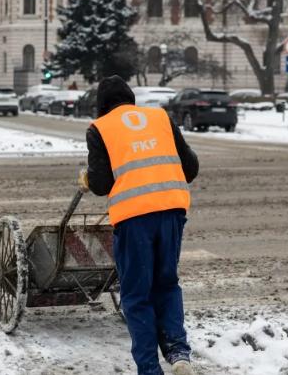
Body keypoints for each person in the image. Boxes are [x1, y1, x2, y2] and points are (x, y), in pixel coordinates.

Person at [78, 75, 199, 375]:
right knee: (167, 283)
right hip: (172, 210)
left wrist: (87, 179)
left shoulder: (100, 128)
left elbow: (103, 184)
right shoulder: (160, 117)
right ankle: (178, 353)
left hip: (134, 218)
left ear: (101, 106)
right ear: (131, 99)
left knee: (136, 294)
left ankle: (149, 368)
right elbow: (191, 168)